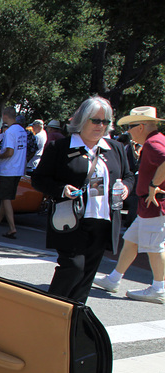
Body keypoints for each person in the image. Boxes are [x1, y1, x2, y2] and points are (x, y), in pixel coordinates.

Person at [31, 96, 134, 303]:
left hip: (103, 221)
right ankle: (49, 312)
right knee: (73, 268)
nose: (100, 126)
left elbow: (129, 176)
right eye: (95, 120)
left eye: (105, 121)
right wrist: (61, 189)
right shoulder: (60, 147)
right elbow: (39, 180)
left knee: (87, 275)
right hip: (72, 219)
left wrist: (126, 188)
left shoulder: (114, 148)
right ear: (82, 119)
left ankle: (73, 321)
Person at [93, 107, 165, 303]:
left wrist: (153, 185)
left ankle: (159, 288)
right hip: (148, 205)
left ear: (141, 126)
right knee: (132, 240)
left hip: (154, 205)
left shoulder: (152, 144)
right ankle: (114, 279)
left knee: (154, 247)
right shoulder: (156, 141)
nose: (128, 132)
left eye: (131, 127)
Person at [0, 106, 28, 238]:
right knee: (4, 198)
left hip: (8, 169)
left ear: (5, 116)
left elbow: (9, 151)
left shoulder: (10, 132)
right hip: (18, 169)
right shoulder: (22, 130)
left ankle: (12, 227)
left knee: (6, 199)